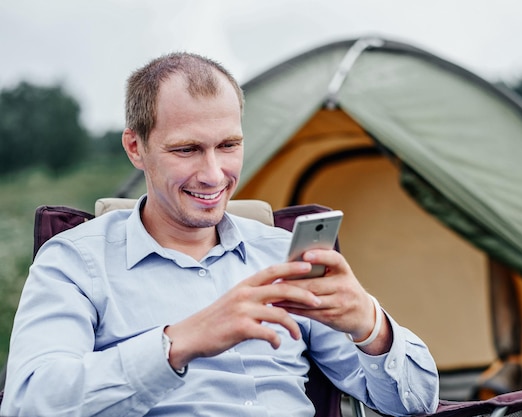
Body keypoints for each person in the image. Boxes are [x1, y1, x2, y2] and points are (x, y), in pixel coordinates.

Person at [0, 52, 439, 417]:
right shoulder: (74, 261)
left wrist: (371, 327)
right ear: (136, 148)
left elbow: (416, 403)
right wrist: (178, 343)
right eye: (187, 149)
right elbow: (28, 404)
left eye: (228, 145)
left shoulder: (283, 255)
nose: (213, 175)